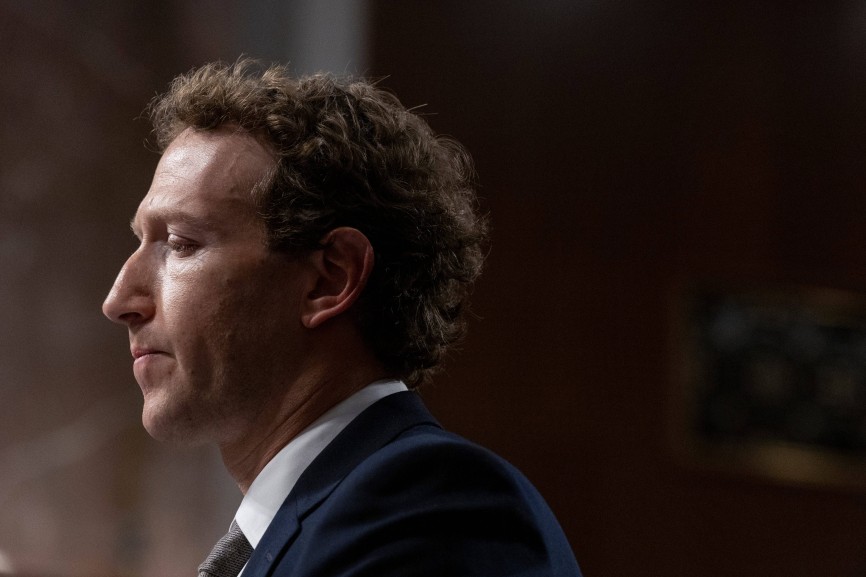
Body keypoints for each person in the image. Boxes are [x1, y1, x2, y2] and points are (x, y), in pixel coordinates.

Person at [102, 59, 582, 577]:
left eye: (181, 243)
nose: (120, 300)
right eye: (141, 242)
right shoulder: (315, 520)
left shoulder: (432, 510)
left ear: (329, 279)